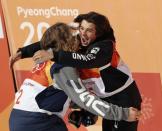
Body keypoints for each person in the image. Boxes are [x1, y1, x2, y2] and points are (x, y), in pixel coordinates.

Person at [11, 14, 142, 130]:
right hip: (39, 121)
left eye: (89, 30)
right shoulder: (63, 66)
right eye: (79, 32)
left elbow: (85, 63)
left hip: (19, 118)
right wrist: (24, 51)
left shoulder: (102, 46)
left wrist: (86, 112)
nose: (79, 37)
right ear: (66, 43)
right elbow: (83, 98)